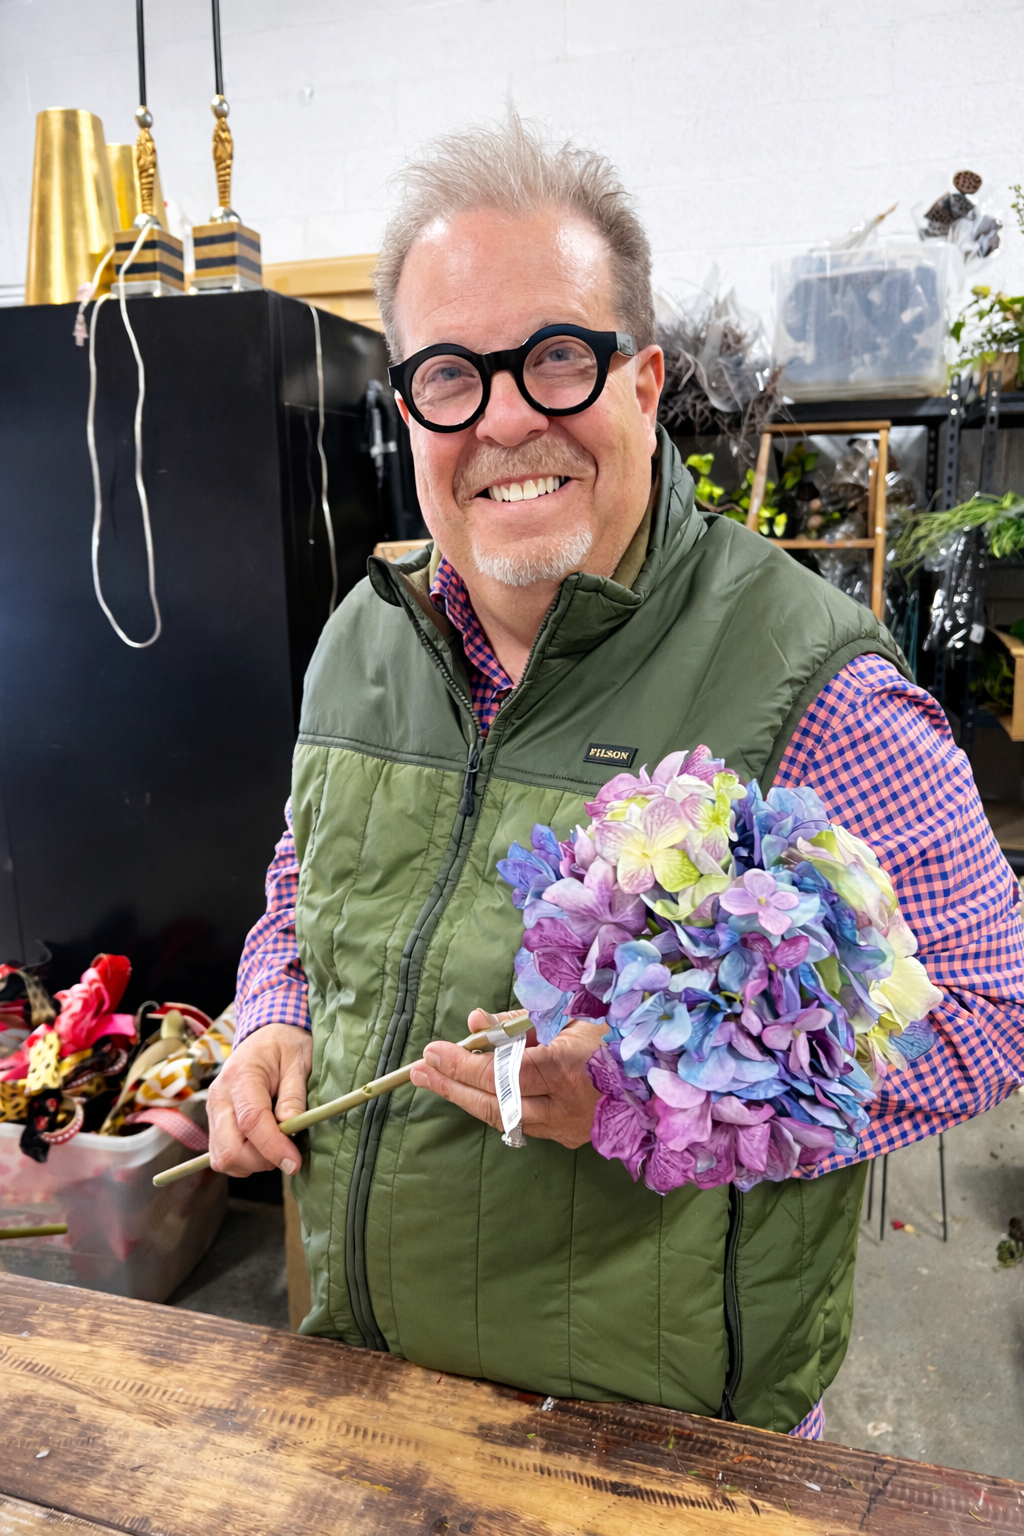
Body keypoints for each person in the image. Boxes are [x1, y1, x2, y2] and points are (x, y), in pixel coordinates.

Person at [209, 112, 1024, 1436]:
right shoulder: (368, 635)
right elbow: (308, 879)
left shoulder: (811, 683)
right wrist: (272, 1011)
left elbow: (988, 1005)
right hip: (370, 1390)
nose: (508, 419)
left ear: (643, 383)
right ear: (410, 409)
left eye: (556, 359)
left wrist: (664, 1096)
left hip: (653, 1445)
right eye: (452, 378)